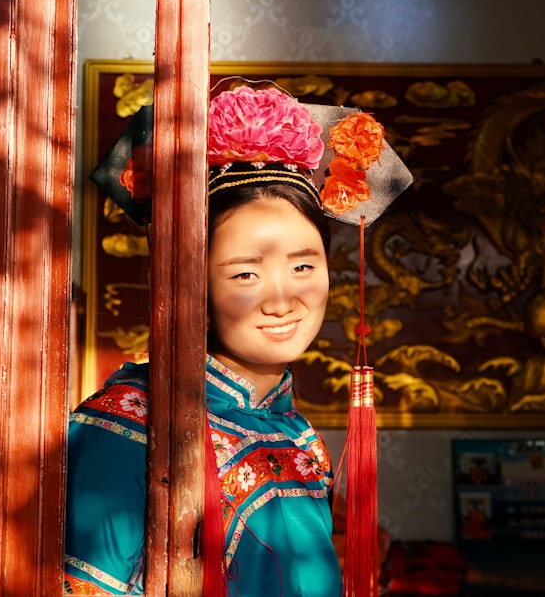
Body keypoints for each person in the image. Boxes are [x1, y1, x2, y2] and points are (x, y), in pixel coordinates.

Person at [63, 85, 408, 596]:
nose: (281, 298)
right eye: (246, 274)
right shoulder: (130, 426)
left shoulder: (296, 433)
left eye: (303, 265)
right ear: (193, 282)